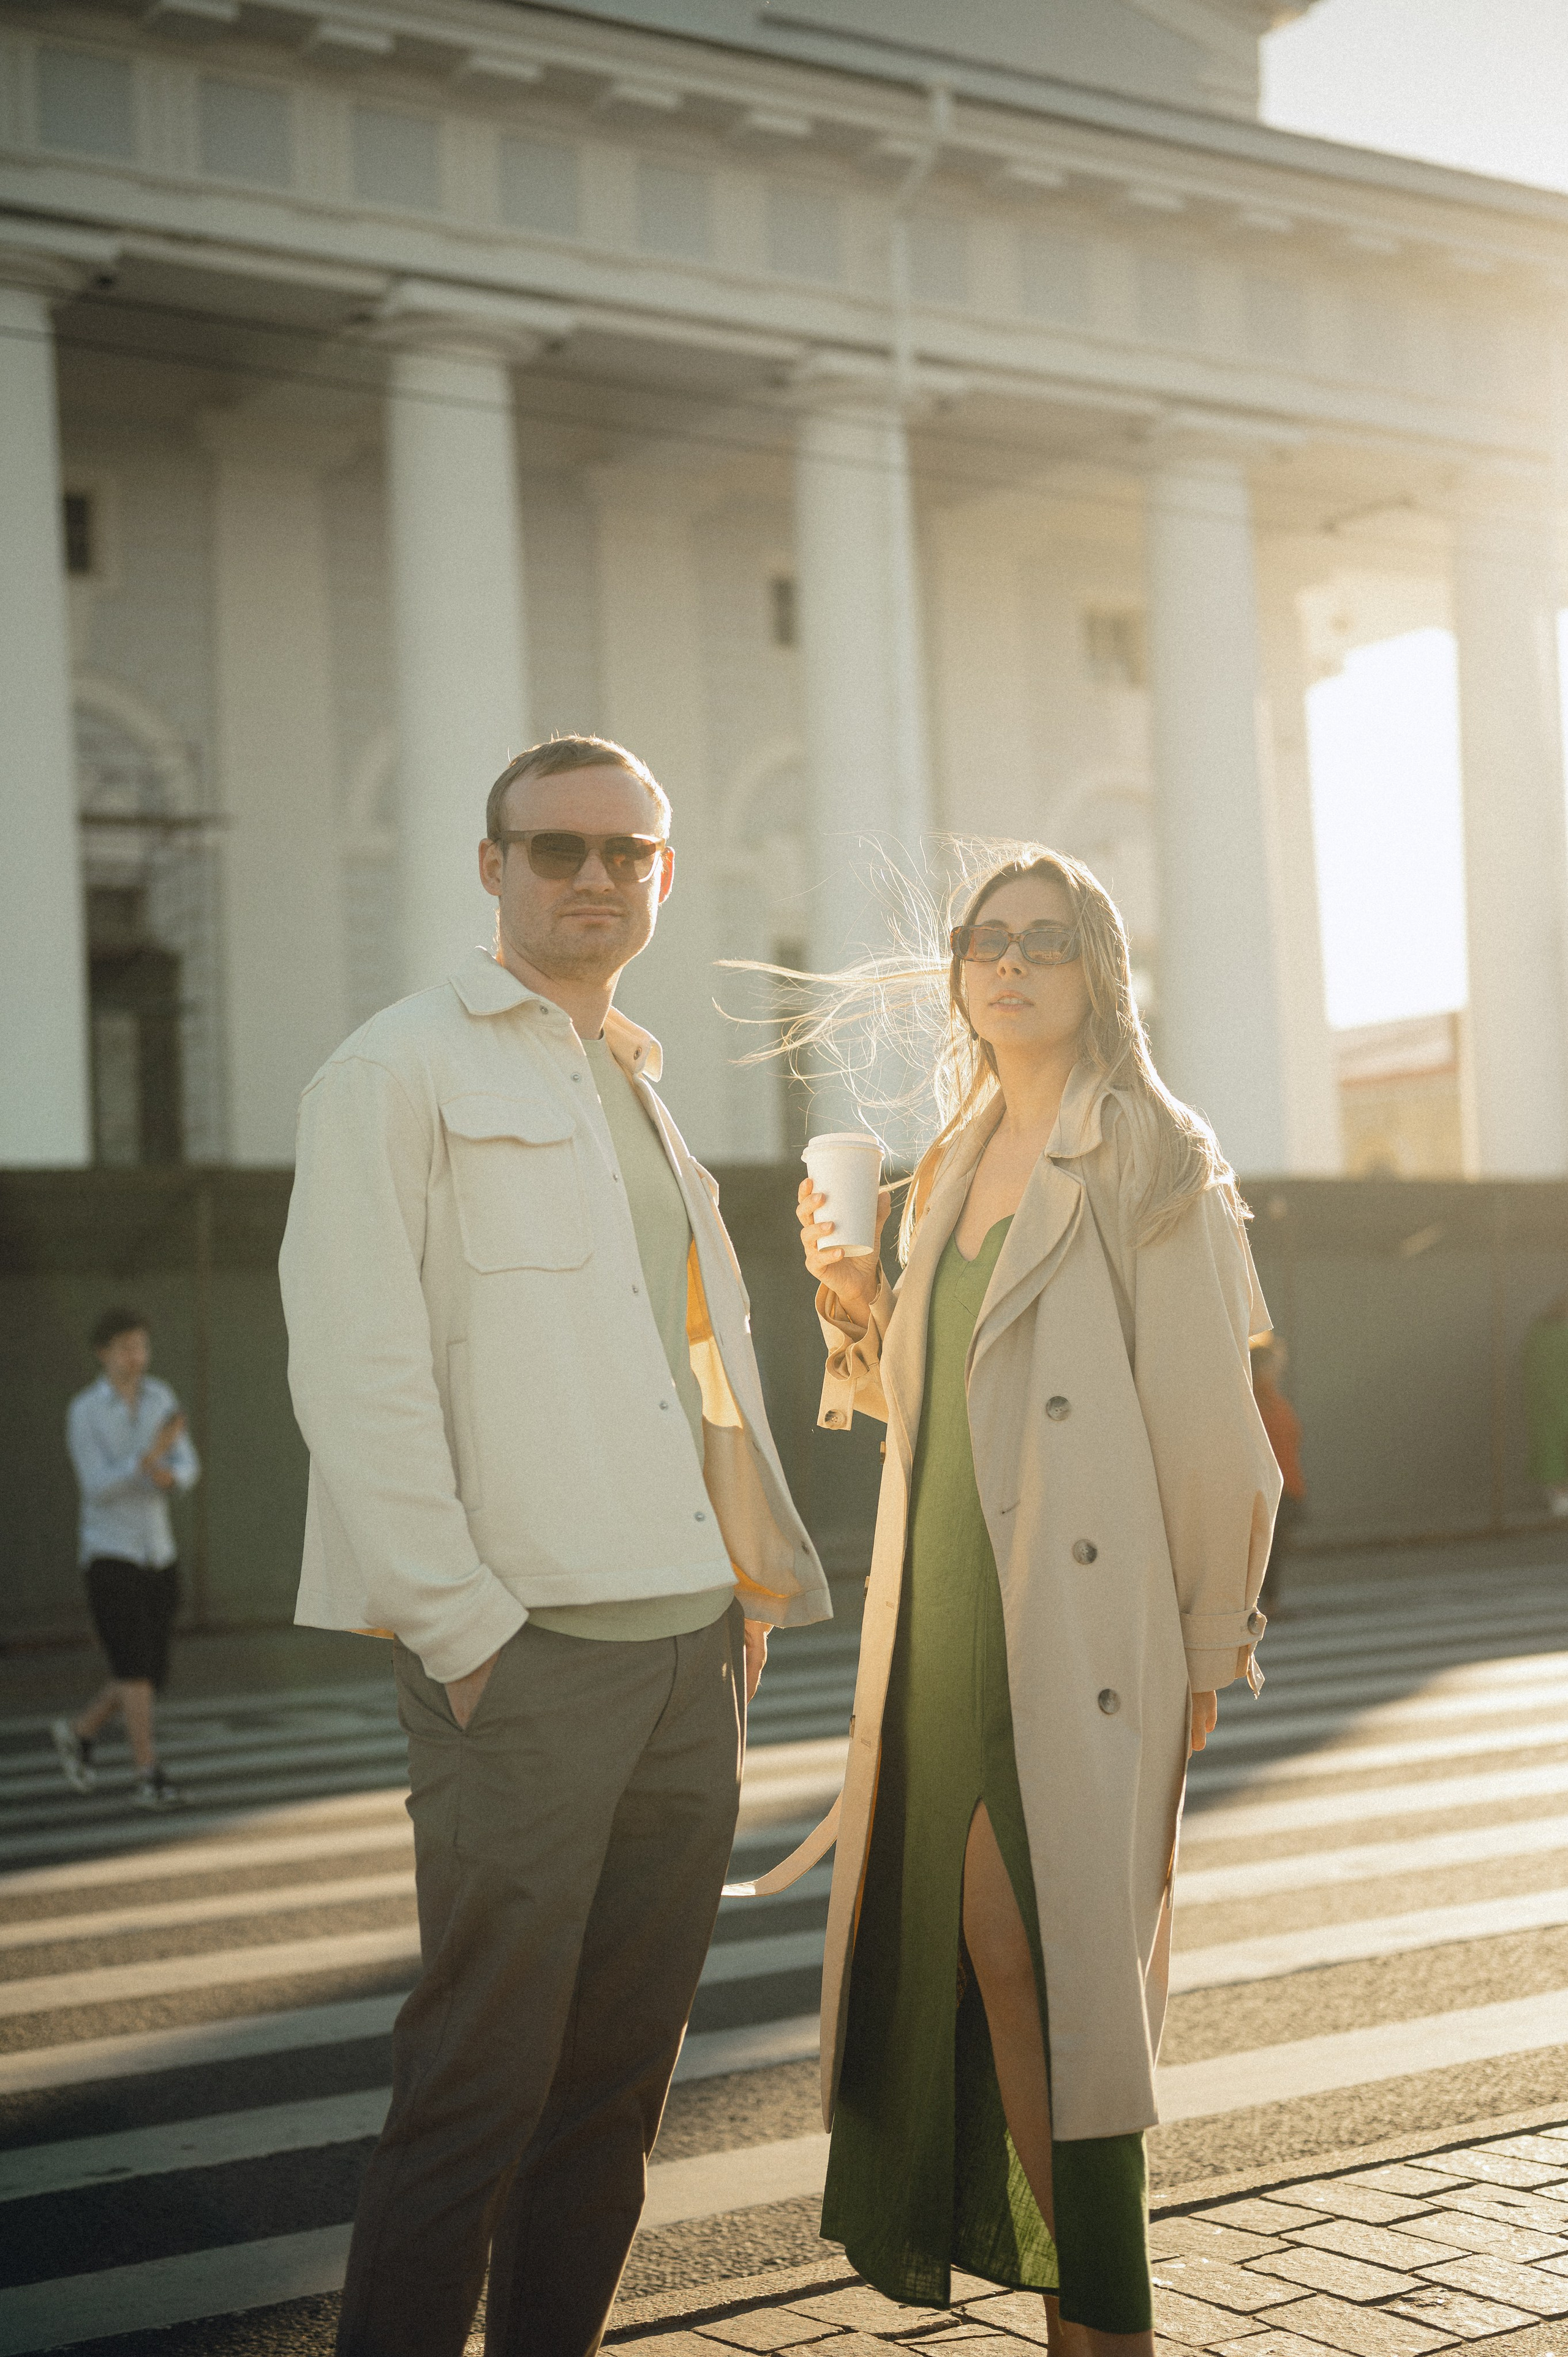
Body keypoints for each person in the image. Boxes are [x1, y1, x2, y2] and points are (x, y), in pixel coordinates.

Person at [280, 733, 829, 2357]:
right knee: (473, 2100)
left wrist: (745, 1600)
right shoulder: (397, 1070)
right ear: (491, 868)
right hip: (526, 1667)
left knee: (610, 2106)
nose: (594, 878)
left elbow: (696, 1368)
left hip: (687, 1663)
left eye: (626, 853)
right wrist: (461, 1633)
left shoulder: (636, 1088)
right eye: (557, 848)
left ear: (661, 875)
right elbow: (353, 1368)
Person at [794, 848, 1280, 2354]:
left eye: (1042, 941)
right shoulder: (944, 1154)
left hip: (1076, 1634)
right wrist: (857, 1314)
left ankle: (1108, 2322)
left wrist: (1210, 1640)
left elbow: (1214, 1429)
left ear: (1096, 967)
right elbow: (944, 1417)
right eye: (982, 940)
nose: (1007, 964)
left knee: (1058, 1975)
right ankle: (1082, 2311)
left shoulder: (1146, 1148)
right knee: (991, 1961)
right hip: (938, 1618)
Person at [54, 1306, 200, 1811]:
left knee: (148, 1670)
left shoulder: (161, 1397)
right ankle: (148, 1773)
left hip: (158, 1551)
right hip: (109, 1553)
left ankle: (80, 1731)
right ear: (104, 1353)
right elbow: (95, 1486)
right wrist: (146, 1462)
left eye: (141, 1346)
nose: (136, 1357)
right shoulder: (85, 1410)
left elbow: (187, 1465)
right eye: (125, 1348)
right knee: (134, 1667)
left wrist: (170, 1474)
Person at [1251, 1338, 1305, 1607]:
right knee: (1267, 1549)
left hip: (1284, 1484)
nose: (1277, 1369)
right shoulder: (1260, 1402)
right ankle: (1268, 1601)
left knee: (1272, 1548)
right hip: (1272, 1486)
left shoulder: (1272, 1400)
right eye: (1271, 1365)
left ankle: (1270, 1600)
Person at [1523, 1295, 1568, 1518]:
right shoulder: (1546, 1335)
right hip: (1551, 1398)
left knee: (1550, 1445)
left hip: (1547, 1399)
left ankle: (1559, 1496)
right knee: (1551, 1446)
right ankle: (1560, 1496)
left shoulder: (1538, 1333)